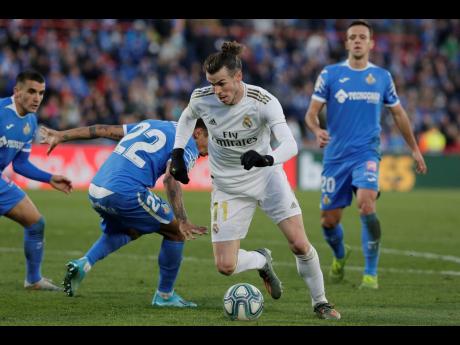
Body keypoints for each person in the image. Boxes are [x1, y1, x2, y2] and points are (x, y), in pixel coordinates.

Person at [169, 41, 341, 320]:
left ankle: (320, 301)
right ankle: (262, 259)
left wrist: (267, 159)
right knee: (225, 266)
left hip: (266, 178)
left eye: (222, 83)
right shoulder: (202, 98)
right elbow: (188, 117)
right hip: (227, 187)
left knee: (299, 243)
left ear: (238, 76)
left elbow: (290, 144)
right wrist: (177, 152)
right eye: (212, 84)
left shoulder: (263, 101)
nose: (217, 91)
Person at [305, 20, 427, 289]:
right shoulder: (330, 74)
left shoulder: (382, 77)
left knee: (367, 202)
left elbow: (399, 114)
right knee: (328, 221)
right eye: (353, 37)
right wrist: (316, 129)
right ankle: (339, 255)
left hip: (367, 153)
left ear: (371, 43)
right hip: (336, 157)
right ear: (347, 42)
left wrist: (415, 149)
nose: (357, 40)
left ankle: (370, 273)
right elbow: (311, 113)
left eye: (363, 37)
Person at [40, 118, 208, 307]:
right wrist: (183, 219)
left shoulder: (154, 123)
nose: (209, 151)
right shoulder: (188, 143)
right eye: (212, 141)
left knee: (130, 229)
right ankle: (165, 295)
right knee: (176, 231)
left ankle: (84, 263)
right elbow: (170, 179)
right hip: (125, 192)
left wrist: (62, 135)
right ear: (198, 132)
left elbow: (103, 129)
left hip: (96, 188)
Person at [0, 70, 73, 291]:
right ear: (17, 91)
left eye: (41, 93)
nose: (37, 98)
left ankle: (33, 280)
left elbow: (20, 164)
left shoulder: (30, 122)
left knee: (35, 223)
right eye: (31, 91)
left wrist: (49, 178)